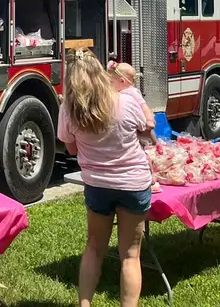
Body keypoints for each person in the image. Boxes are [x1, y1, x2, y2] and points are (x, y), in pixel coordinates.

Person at [59, 51, 153, 307]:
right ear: (101, 73)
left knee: (94, 248)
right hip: (133, 183)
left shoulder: (69, 108)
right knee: (130, 255)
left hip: (97, 184)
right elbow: (146, 130)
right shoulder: (125, 101)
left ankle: (84, 304)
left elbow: (71, 150)